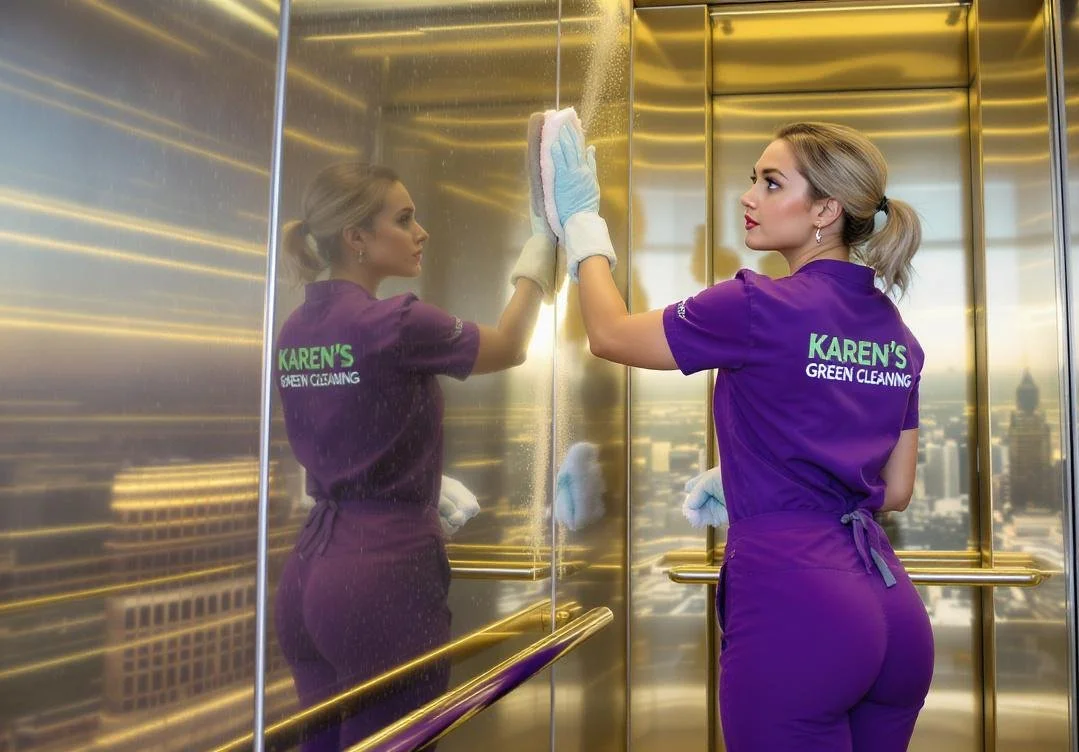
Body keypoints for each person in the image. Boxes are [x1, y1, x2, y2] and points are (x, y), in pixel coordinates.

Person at [547, 120, 935, 751]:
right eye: (751, 179)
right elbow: (895, 490)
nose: (748, 196)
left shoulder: (755, 304)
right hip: (892, 613)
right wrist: (758, 477)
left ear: (826, 211)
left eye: (772, 182)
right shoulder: (897, 334)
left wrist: (583, 227)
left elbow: (609, 333)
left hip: (797, 608)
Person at [273, 161, 558, 750]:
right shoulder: (395, 321)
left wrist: (408, 471)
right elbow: (508, 347)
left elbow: (342, 427)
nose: (421, 232)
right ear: (356, 238)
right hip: (381, 574)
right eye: (404, 220)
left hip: (309, 572)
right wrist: (541, 253)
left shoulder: (296, 329)